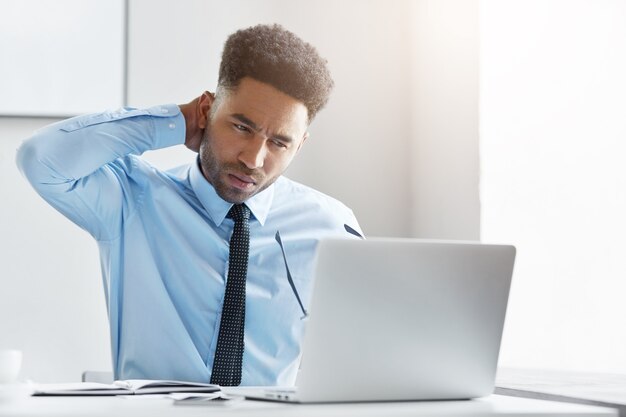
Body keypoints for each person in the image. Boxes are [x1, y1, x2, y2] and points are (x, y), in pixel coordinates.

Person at [16, 24, 362, 386]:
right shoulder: (133, 200)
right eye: (242, 127)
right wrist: (176, 122)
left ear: (300, 145)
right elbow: (40, 159)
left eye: (279, 142)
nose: (254, 159)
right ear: (207, 109)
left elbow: (359, 353)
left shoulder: (332, 227)